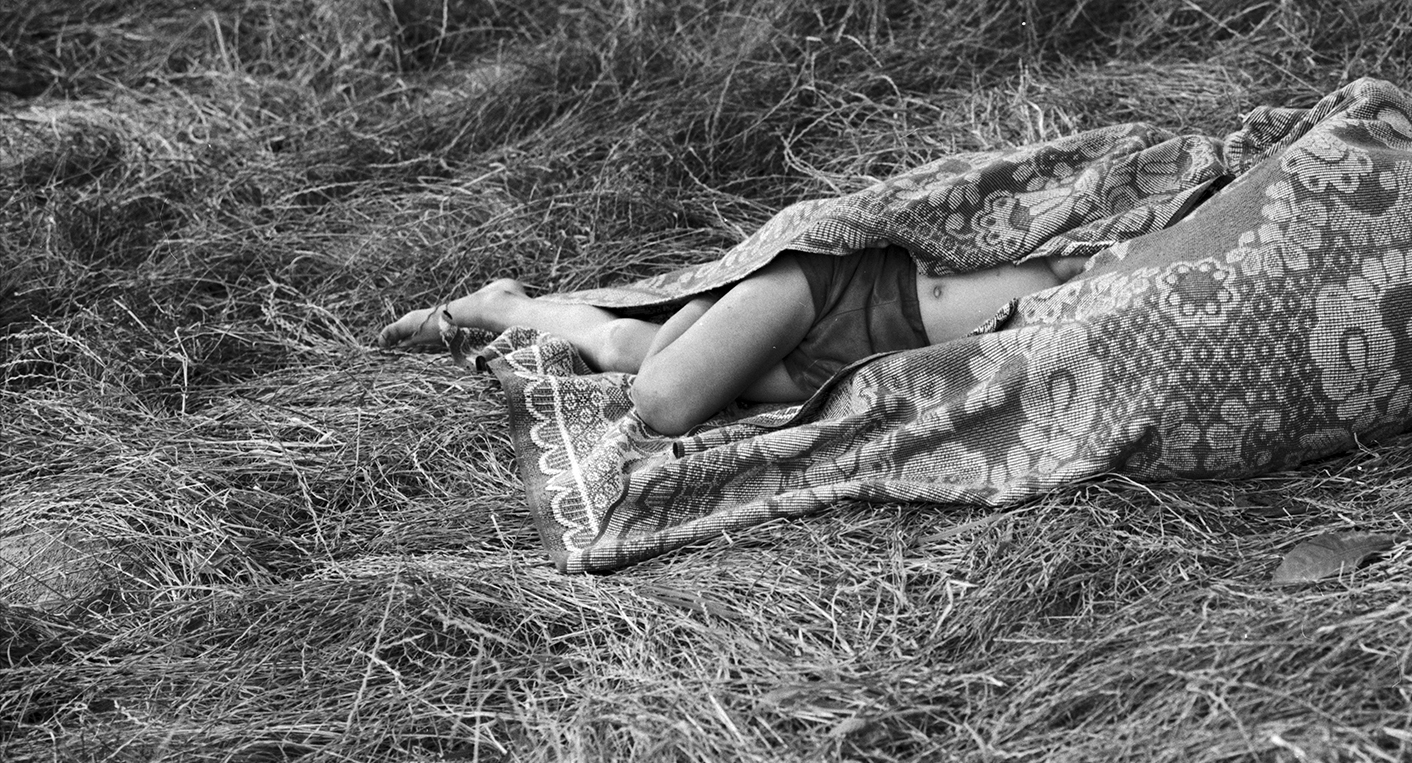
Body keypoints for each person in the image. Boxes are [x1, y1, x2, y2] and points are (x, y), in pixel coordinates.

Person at [381, 246, 1092, 437]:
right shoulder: (1144, 221)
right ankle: (717, 300)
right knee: (663, 400)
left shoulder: (1150, 300)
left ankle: (506, 306)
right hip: (835, 288)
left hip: (857, 360)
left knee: (633, 355)